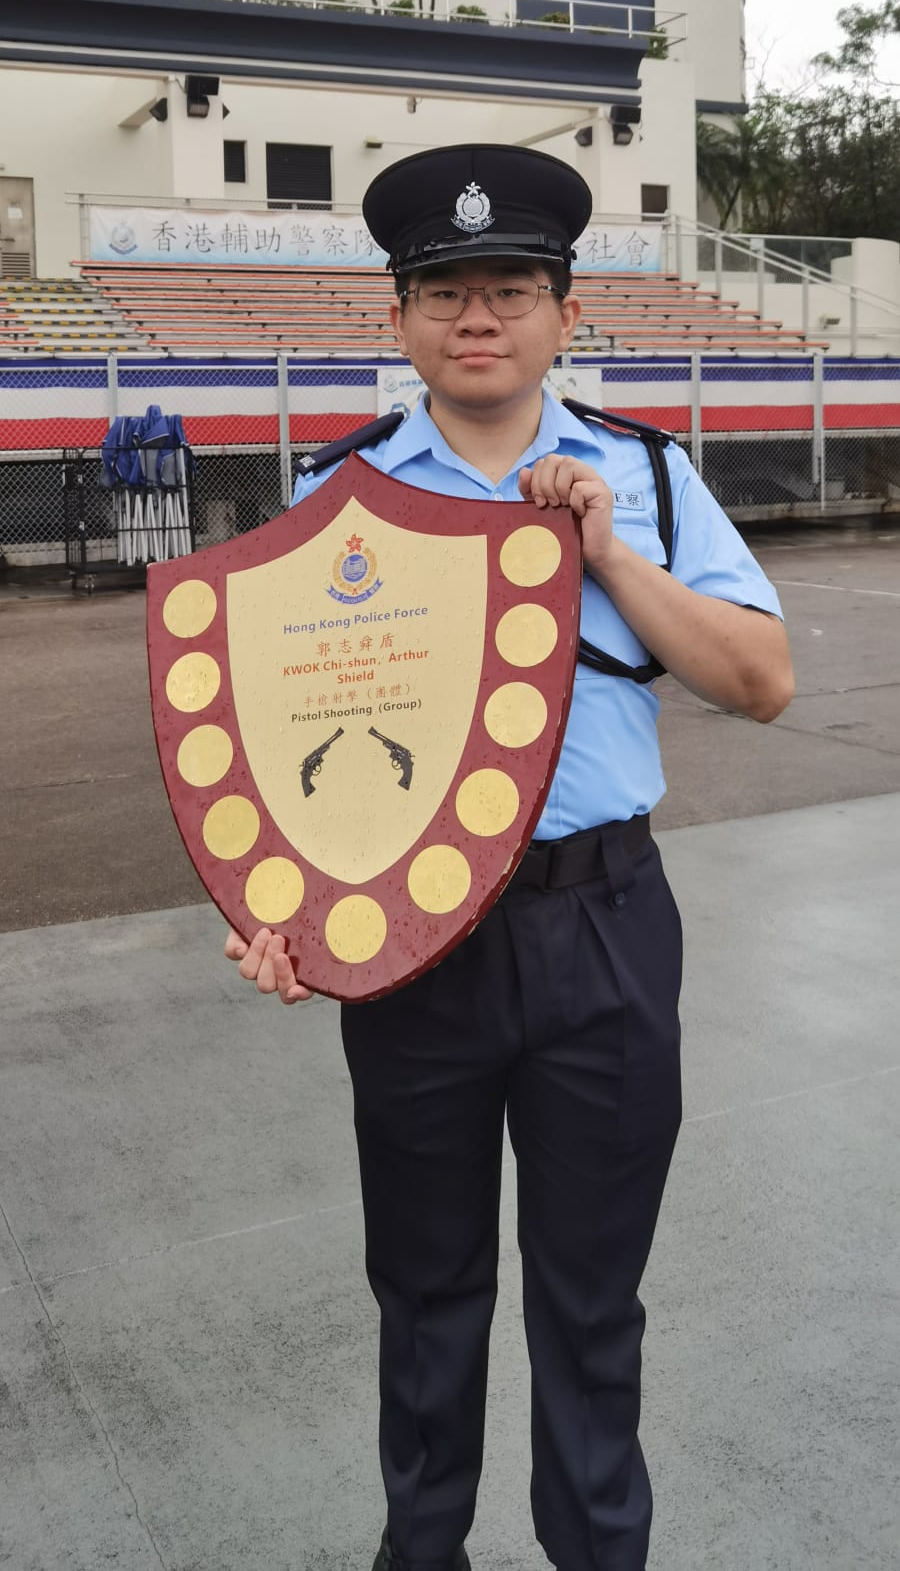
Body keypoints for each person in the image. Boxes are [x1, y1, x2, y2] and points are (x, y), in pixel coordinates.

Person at [224, 144, 794, 1571]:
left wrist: (608, 555)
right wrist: (273, 911)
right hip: (411, 947)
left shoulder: (650, 477)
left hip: (598, 924)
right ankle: (424, 1553)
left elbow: (762, 680)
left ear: (565, 312)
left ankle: (596, 1553)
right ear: (400, 316)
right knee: (425, 1292)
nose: (478, 318)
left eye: (511, 289)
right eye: (446, 291)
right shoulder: (334, 494)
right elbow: (266, 732)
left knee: (592, 1300)